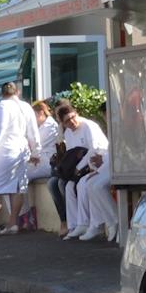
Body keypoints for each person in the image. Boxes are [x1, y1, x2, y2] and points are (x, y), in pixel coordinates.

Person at [0, 82, 35, 236]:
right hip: (22, 150)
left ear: (2, 93)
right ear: (17, 92)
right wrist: (36, 151)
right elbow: (33, 131)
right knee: (17, 186)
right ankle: (13, 223)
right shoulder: (26, 107)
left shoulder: (2, 107)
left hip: (4, 151)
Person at [56, 99, 112, 242]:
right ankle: (76, 224)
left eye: (73, 117)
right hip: (82, 167)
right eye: (67, 121)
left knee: (82, 185)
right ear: (63, 123)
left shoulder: (88, 126)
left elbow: (93, 150)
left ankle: (91, 223)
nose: (72, 122)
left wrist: (78, 167)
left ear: (76, 113)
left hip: (99, 161)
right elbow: (71, 155)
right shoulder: (68, 133)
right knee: (68, 187)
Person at [24, 99, 65, 235]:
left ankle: (28, 215)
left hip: (47, 163)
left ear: (41, 113)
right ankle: (27, 212)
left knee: (22, 178)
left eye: (33, 116)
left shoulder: (49, 127)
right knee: (19, 179)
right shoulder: (41, 127)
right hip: (39, 161)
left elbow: (35, 145)